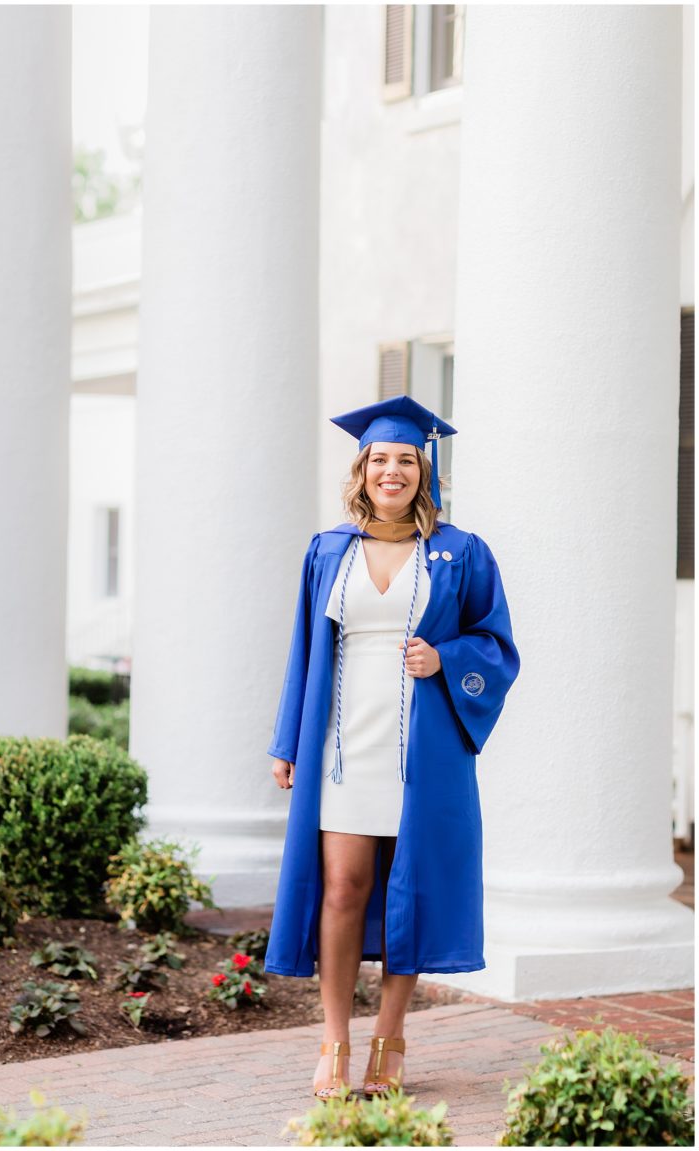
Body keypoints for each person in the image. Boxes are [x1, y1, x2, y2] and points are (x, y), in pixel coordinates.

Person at [264, 397, 518, 1100]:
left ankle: (390, 1039)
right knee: (343, 888)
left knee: (408, 893)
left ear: (424, 469)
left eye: (406, 459)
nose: (392, 470)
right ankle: (335, 1039)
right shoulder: (327, 550)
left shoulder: (462, 552)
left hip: (423, 751)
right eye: (380, 458)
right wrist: (288, 740)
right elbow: (305, 652)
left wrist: (445, 658)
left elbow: (497, 647)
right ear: (362, 468)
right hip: (344, 747)